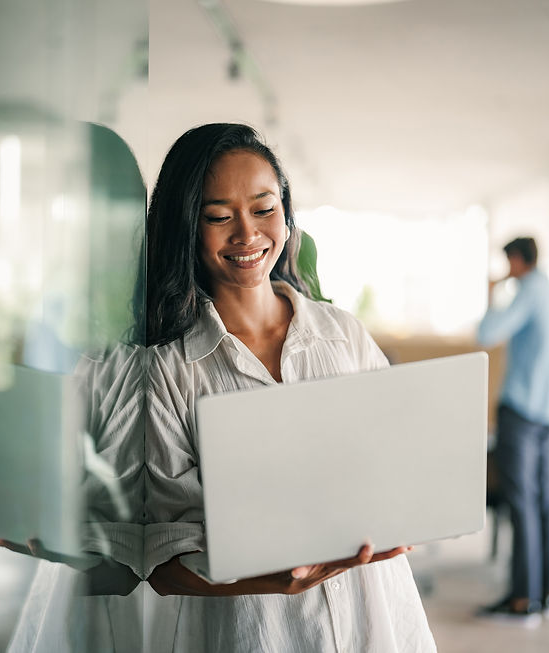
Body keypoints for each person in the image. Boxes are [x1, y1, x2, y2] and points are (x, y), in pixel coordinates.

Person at [143, 123, 436, 652]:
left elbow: (393, 465)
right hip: (254, 631)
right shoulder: (168, 368)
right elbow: (157, 562)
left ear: (286, 212)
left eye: (263, 208)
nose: (247, 234)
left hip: (371, 614)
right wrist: (273, 580)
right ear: (186, 226)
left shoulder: (342, 333)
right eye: (217, 216)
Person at [476, 236, 549, 625]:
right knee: (544, 504)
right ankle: (546, 595)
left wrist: (492, 293)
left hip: (521, 413)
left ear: (518, 261)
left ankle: (523, 601)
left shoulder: (528, 292)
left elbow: (487, 334)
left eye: (508, 263)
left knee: (522, 503)